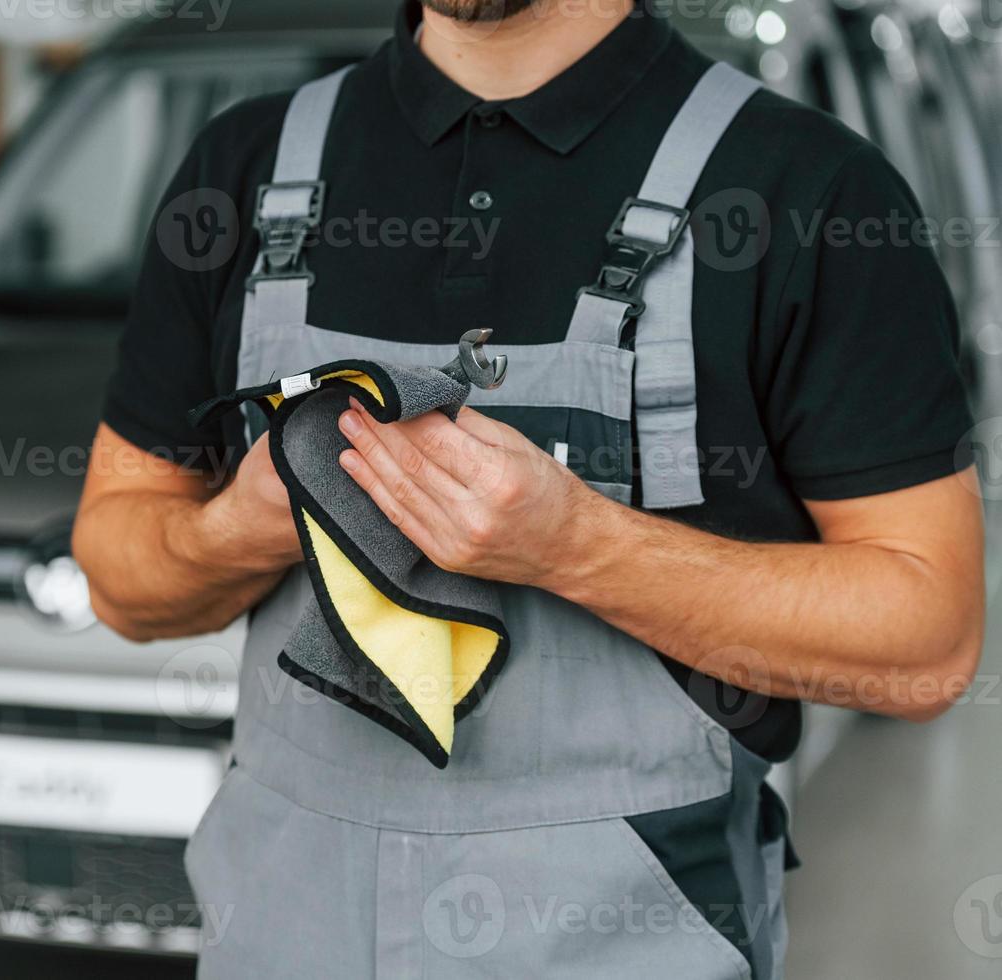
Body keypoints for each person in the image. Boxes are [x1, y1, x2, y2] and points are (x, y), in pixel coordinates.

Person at [74, 1, 984, 975]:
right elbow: (118, 576)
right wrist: (247, 525)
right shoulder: (245, 171)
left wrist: (579, 547)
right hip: (278, 933)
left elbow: (926, 643)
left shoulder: (811, 192)